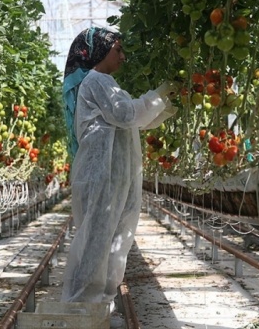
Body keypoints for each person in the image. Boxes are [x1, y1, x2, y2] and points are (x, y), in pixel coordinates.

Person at [60, 27, 177, 309]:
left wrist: (168, 105)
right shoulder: (97, 81)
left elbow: (137, 118)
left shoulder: (109, 84)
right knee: (97, 239)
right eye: (118, 50)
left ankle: (100, 302)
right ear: (101, 51)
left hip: (113, 176)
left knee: (114, 236)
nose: (123, 56)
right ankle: (82, 304)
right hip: (101, 175)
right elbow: (126, 114)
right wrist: (160, 93)